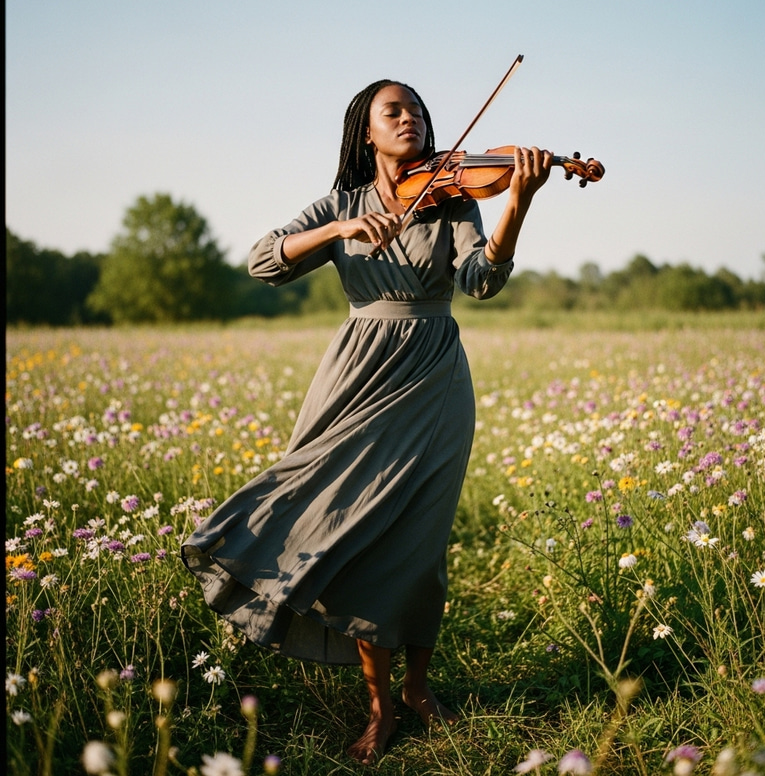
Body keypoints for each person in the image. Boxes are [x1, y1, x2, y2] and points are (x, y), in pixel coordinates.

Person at [181, 78, 552, 765]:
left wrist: (517, 205)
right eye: (395, 111)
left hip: (434, 377)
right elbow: (263, 259)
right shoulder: (341, 204)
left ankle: (414, 690)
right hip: (355, 377)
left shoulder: (454, 197)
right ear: (367, 132)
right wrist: (338, 229)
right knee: (345, 528)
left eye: (417, 111)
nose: (410, 118)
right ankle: (379, 706)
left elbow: (481, 283)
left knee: (419, 542)